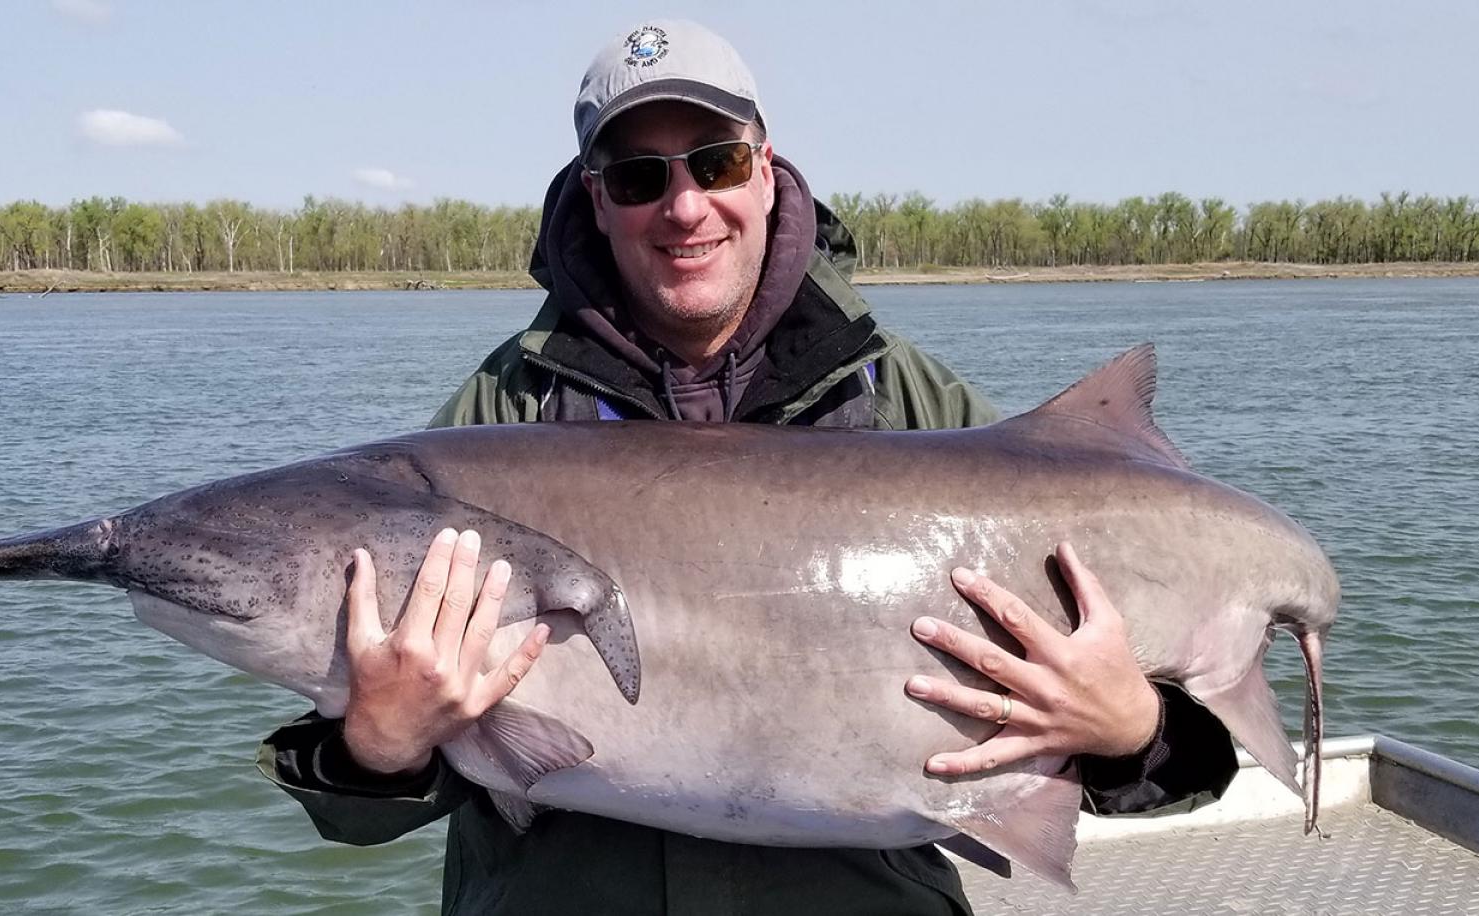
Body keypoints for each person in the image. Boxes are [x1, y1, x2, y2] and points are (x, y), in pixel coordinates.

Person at [259, 20, 1236, 915]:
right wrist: (377, 749)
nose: (684, 206)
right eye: (639, 178)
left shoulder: (906, 406)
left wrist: (1132, 729)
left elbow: (1176, 757)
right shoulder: (497, 419)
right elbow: (355, 810)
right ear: (597, 202)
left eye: (716, 161)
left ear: (767, 170)